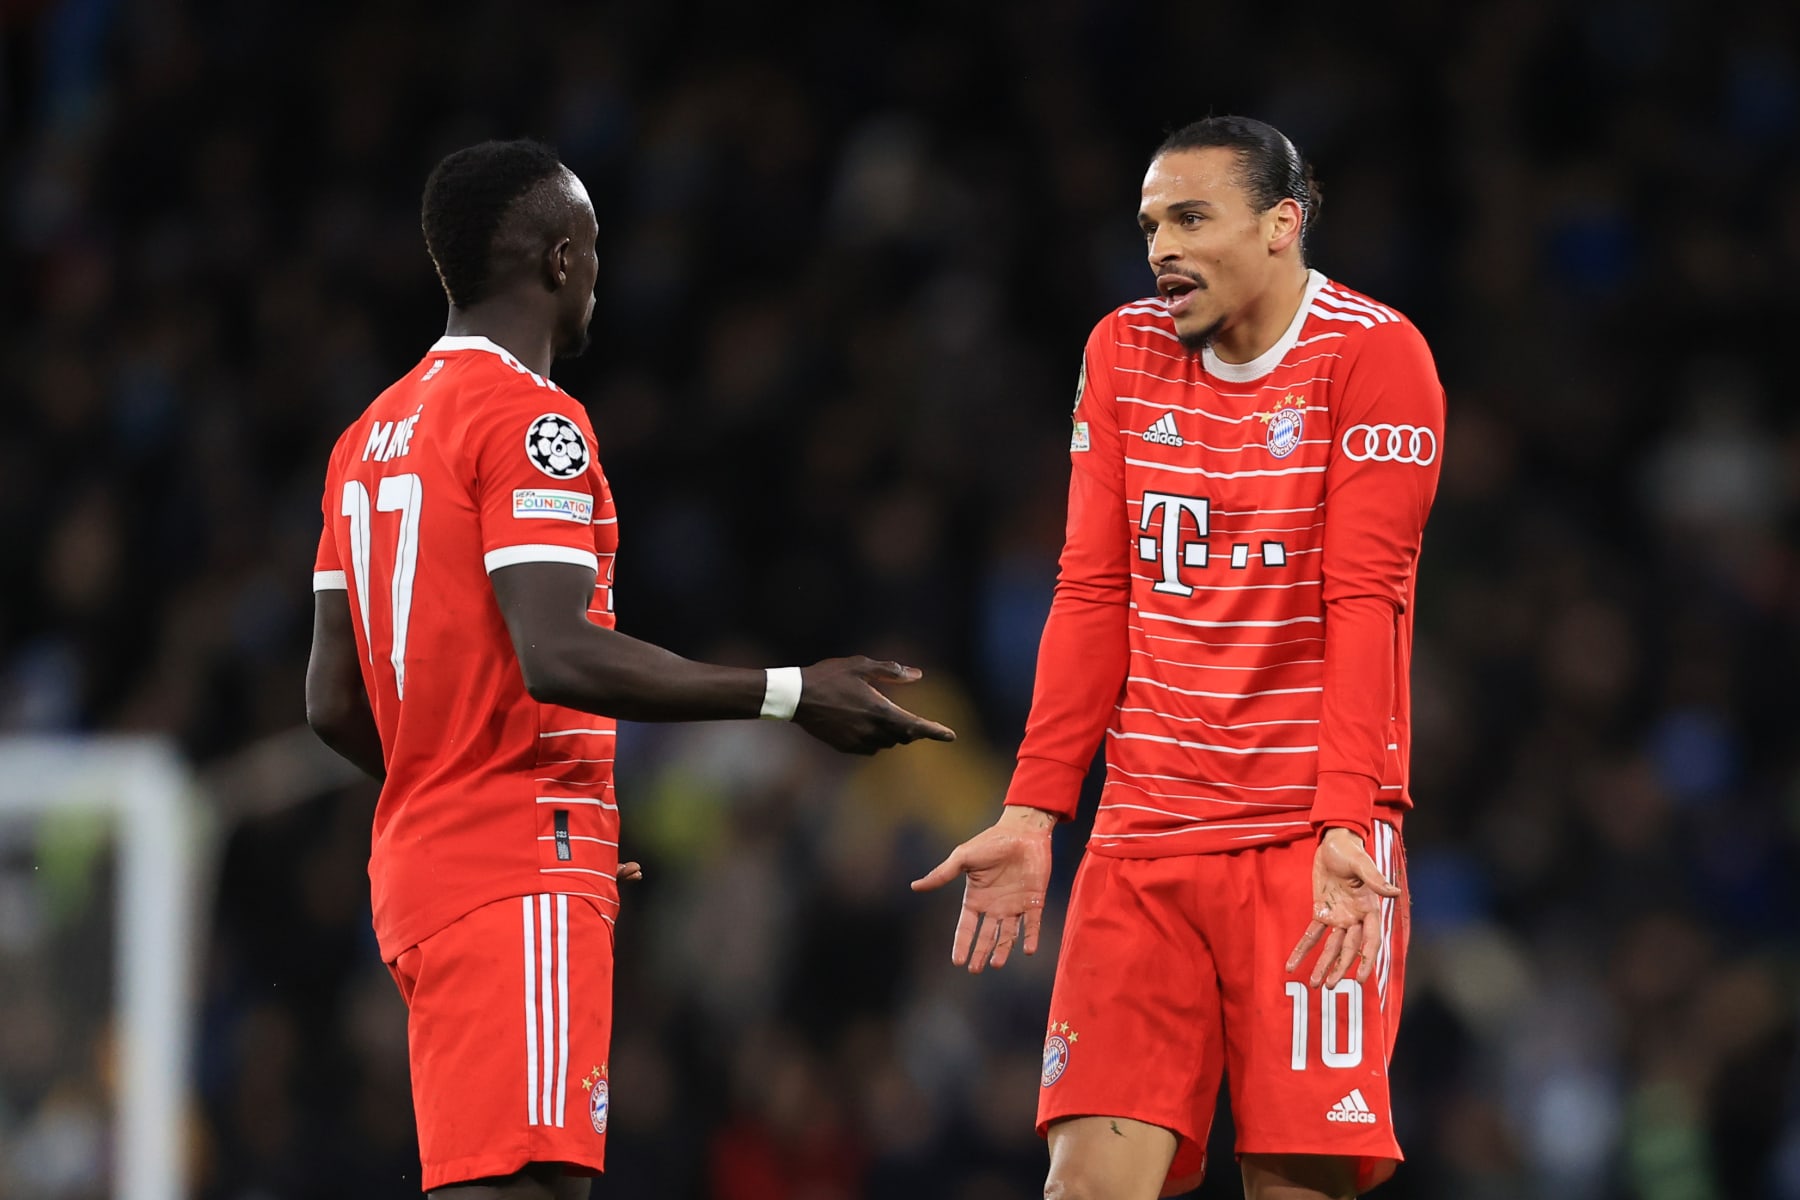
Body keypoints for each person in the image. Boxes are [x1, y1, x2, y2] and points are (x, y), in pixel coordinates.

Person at [304, 139, 953, 1200]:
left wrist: (459, 786)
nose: (601, 273)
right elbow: (557, 651)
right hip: (515, 872)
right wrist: (790, 694)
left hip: (426, 878)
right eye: (596, 248)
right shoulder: (531, 422)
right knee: (530, 1187)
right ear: (560, 259)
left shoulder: (364, 438)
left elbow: (333, 703)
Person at [914, 116, 1443, 1200]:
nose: (1161, 245)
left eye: (1193, 218)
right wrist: (1032, 809)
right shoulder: (1122, 350)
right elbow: (1092, 588)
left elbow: (1366, 602)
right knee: (1086, 1188)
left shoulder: (1376, 355)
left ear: (1281, 226)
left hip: (1305, 850)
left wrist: (1352, 817)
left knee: (1296, 1183)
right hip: (1143, 844)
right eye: (1152, 221)